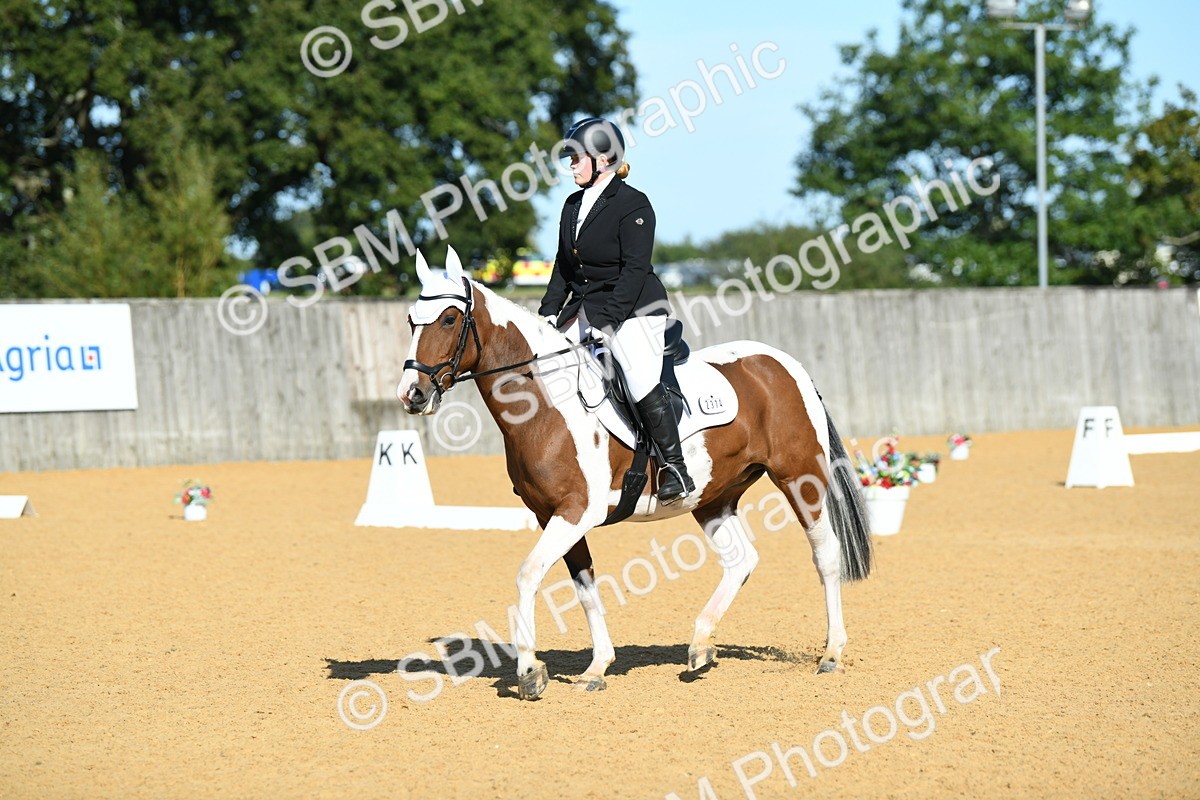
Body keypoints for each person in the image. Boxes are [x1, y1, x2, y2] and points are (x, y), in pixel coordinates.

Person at [539, 117, 695, 505]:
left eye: (576, 157)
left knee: (638, 378)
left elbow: (635, 269)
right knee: (545, 368)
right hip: (586, 309)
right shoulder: (572, 204)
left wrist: (606, 323)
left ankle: (675, 467)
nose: (571, 165)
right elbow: (563, 264)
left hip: (636, 309)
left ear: (603, 160)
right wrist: (546, 314)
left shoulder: (633, 204)